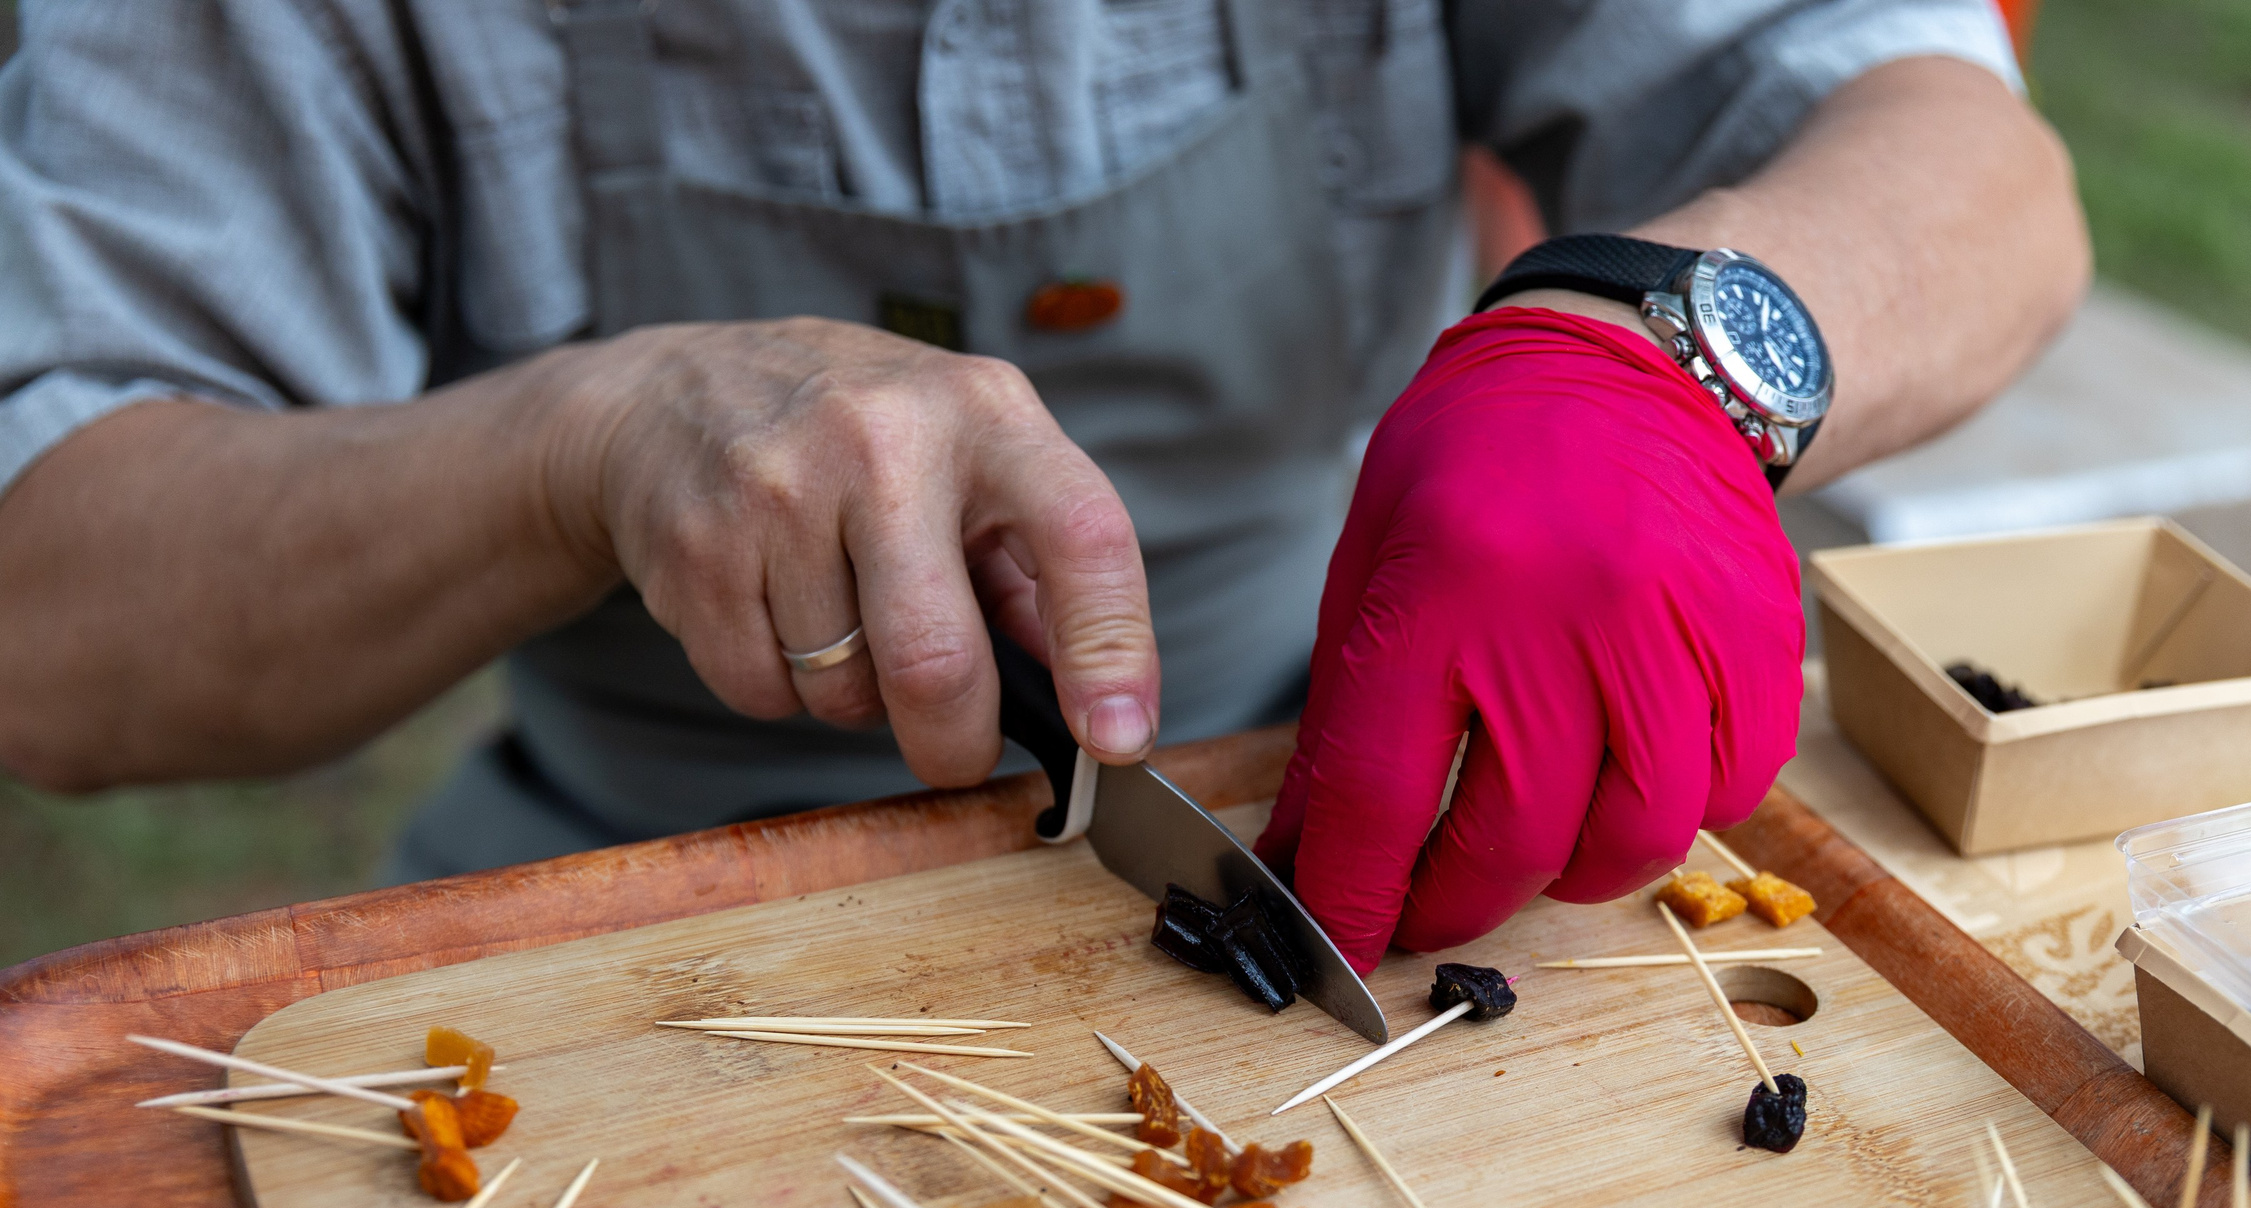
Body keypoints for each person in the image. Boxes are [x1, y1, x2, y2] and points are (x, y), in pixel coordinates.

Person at [0, 0, 2085, 972]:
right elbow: (52, 612)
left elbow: (1955, 149)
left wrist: (1647, 356)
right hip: (624, 882)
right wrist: (578, 445)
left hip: (1350, 758)